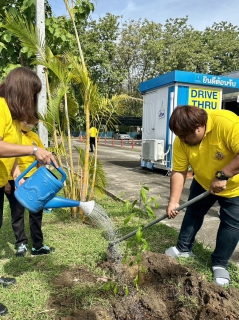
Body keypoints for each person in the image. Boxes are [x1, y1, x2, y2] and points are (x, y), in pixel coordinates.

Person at [0, 67, 57, 316]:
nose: (32, 101)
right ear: (22, 92)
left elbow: (10, 150)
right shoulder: (0, 107)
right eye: (33, 94)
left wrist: (12, 176)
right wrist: (33, 151)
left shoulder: (11, 116)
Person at [165, 105, 239, 287]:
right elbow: (179, 171)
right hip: (204, 181)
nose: (181, 140)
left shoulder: (227, 123)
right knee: (193, 212)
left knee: (231, 224)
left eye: (184, 136)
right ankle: (183, 248)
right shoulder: (182, 141)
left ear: (199, 126)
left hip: (236, 186)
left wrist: (223, 175)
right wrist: (174, 201)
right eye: (178, 136)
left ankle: (220, 263)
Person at [4, 121, 54, 258]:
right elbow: (6, 159)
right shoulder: (13, 135)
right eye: (26, 120)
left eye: (32, 121)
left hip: (34, 180)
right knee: (17, 212)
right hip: (16, 179)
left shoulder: (34, 137)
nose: (29, 123)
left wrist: (43, 177)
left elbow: (41, 160)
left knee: (36, 213)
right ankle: (21, 243)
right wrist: (8, 182)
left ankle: (37, 246)